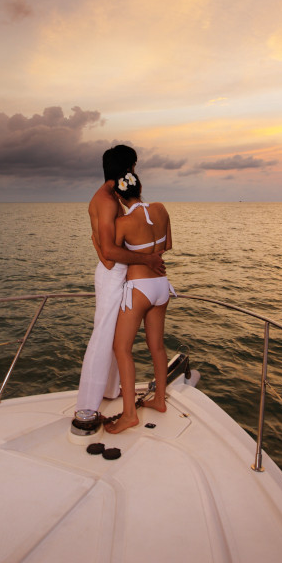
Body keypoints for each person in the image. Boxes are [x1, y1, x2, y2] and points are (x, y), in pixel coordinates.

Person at [73, 146, 164, 430]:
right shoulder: (109, 202)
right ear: (127, 167)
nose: (135, 170)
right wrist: (147, 257)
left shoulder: (113, 198)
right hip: (114, 276)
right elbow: (111, 257)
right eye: (134, 165)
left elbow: (104, 246)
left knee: (115, 337)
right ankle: (87, 407)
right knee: (104, 337)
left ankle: (110, 391)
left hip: (125, 275)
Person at [105, 171, 174, 434]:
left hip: (139, 289)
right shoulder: (160, 209)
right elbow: (167, 244)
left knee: (121, 348)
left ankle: (129, 415)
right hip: (161, 285)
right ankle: (159, 399)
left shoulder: (123, 222)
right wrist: (150, 253)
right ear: (141, 187)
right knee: (156, 345)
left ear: (120, 197)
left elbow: (112, 258)